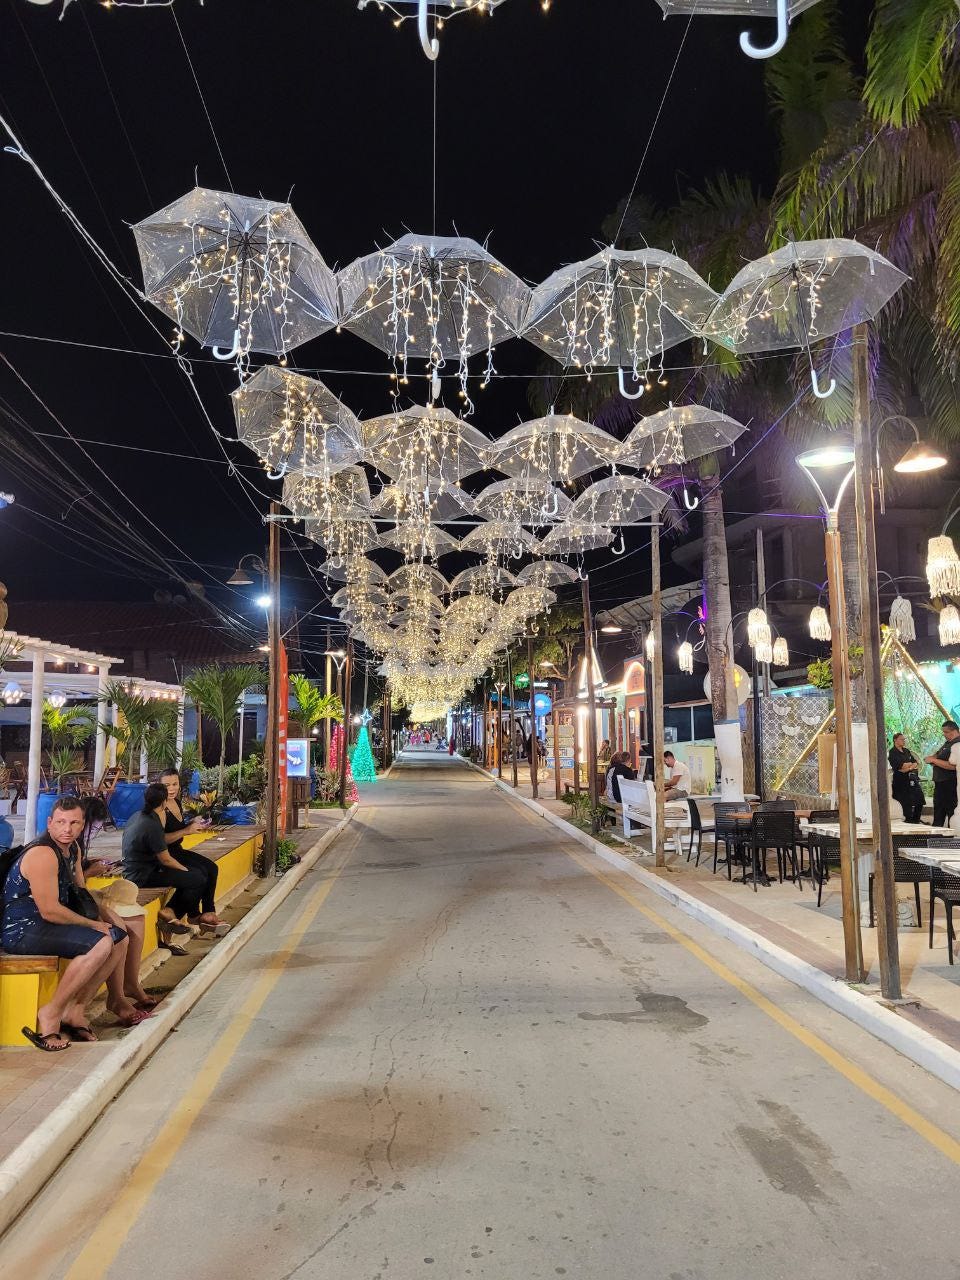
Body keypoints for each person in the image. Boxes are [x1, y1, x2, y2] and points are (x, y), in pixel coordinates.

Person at [1, 796, 128, 1051]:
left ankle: (76, 1010)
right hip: (22, 929)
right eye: (60, 822)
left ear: (82, 825)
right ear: (49, 823)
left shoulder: (73, 850)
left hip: (47, 924)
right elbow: (49, 911)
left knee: (119, 938)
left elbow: (81, 894)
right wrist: (93, 926)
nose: (66, 829)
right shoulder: (43, 854)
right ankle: (50, 1014)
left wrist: (108, 918)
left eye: (73, 823)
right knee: (101, 943)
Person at [78, 796, 157, 1024]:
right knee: (119, 929)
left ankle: (131, 983)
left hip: (83, 894)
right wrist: (89, 872)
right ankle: (118, 996)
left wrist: (91, 864)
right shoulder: (60, 844)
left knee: (132, 906)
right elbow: (71, 888)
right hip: (75, 900)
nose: (94, 831)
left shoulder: (76, 845)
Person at [121, 783, 206, 946]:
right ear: (163, 802)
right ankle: (169, 913)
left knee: (191, 876)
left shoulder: (138, 815)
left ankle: (171, 914)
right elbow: (166, 859)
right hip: (142, 875)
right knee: (197, 878)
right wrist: (185, 871)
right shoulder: (151, 824)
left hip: (138, 869)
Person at [159, 768, 229, 935]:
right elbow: (159, 840)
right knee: (199, 874)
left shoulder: (175, 802)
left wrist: (193, 822)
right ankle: (186, 913)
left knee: (212, 868)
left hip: (177, 850)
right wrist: (186, 831)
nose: (171, 788)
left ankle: (207, 912)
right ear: (158, 786)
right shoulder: (159, 808)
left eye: (175, 784)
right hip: (165, 855)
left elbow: (177, 828)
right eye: (167, 785)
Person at [925, 720, 960, 828]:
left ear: (953, 731)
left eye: (946, 732)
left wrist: (934, 761)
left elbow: (953, 766)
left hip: (950, 783)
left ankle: (952, 840)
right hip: (940, 784)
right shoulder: (948, 743)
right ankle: (936, 838)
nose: (944, 734)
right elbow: (937, 755)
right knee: (939, 813)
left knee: (951, 812)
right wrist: (932, 759)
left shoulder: (957, 744)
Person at [888, 732, 925, 823]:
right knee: (905, 803)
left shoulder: (906, 751)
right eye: (901, 739)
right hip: (900, 782)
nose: (903, 741)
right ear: (895, 740)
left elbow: (916, 762)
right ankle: (908, 821)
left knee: (919, 800)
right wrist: (909, 765)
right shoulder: (893, 752)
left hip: (912, 779)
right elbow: (900, 767)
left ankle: (916, 821)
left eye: (904, 739)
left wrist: (908, 767)